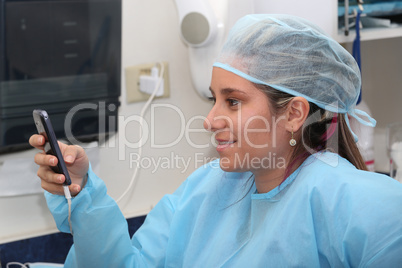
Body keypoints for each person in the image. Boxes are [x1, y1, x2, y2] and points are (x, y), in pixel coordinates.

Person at [30, 14, 402, 267]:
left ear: (294, 114)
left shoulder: (364, 205)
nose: (210, 120)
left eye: (233, 102)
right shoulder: (205, 190)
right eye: (214, 99)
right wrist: (81, 192)